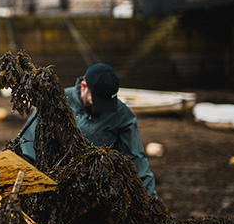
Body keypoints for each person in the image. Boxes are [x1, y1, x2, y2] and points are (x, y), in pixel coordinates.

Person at [17, 63, 157, 197]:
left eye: (107, 103)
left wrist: (150, 199)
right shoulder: (57, 103)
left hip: (96, 189)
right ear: (84, 86)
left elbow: (137, 160)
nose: (102, 108)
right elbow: (26, 147)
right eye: (97, 102)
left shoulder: (122, 115)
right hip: (55, 183)